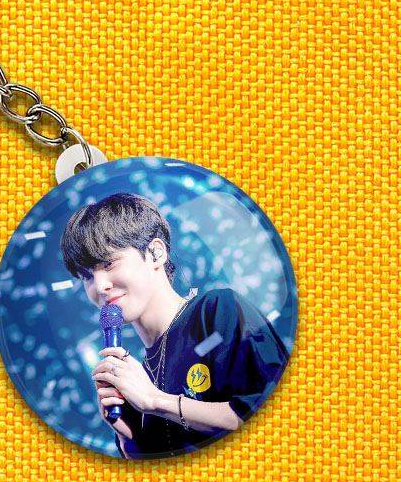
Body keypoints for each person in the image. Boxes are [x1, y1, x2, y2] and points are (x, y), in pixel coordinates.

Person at [59, 192, 290, 459]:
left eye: (109, 263)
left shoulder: (218, 312)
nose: (99, 286)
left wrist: (156, 401)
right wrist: (128, 435)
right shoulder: (140, 374)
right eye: (87, 276)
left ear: (155, 253)